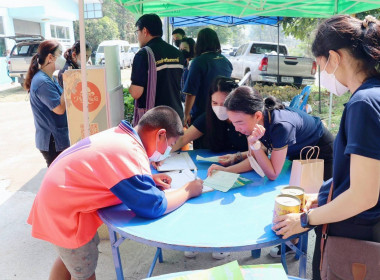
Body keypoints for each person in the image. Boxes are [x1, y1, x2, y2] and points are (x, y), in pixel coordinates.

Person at [27, 106, 203, 280]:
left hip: (57, 203)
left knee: (69, 260)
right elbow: (153, 206)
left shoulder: (122, 137)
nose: (168, 151)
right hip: (65, 214)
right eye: (170, 145)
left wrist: (146, 180)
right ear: (160, 135)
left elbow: (112, 171)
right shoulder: (129, 151)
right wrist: (188, 190)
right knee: (84, 270)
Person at [272, 15, 380, 280]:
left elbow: (364, 195)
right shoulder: (374, 94)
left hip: (357, 238)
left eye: (320, 65)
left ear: (334, 57)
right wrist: (322, 196)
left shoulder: (363, 104)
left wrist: (307, 219)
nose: (322, 74)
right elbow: (361, 175)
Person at [173, 77, 247, 160]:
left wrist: (237, 157)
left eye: (225, 103)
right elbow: (182, 139)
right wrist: (161, 155)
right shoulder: (208, 118)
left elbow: (260, 150)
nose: (219, 108)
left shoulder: (247, 119)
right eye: (215, 103)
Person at [130, 14, 185, 123]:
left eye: (138, 32)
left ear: (144, 31)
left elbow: (136, 92)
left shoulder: (143, 54)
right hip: (176, 115)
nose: (138, 36)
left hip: (154, 119)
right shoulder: (177, 53)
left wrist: (130, 88)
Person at [183, 28, 233, 141]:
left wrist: (186, 114)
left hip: (202, 114)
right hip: (222, 113)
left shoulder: (198, 62)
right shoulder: (225, 61)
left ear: (199, 43)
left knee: (202, 148)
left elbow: (191, 92)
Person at [24, 40, 69, 167]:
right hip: (52, 141)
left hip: (58, 138)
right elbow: (59, 109)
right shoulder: (42, 82)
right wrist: (69, 85)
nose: (62, 57)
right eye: (59, 54)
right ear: (50, 57)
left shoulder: (49, 78)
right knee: (59, 177)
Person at [179, 37, 196, 102]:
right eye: (181, 49)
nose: (182, 51)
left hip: (193, 101)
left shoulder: (196, 64)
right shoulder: (183, 63)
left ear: (192, 48)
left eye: (185, 48)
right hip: (184, 100)